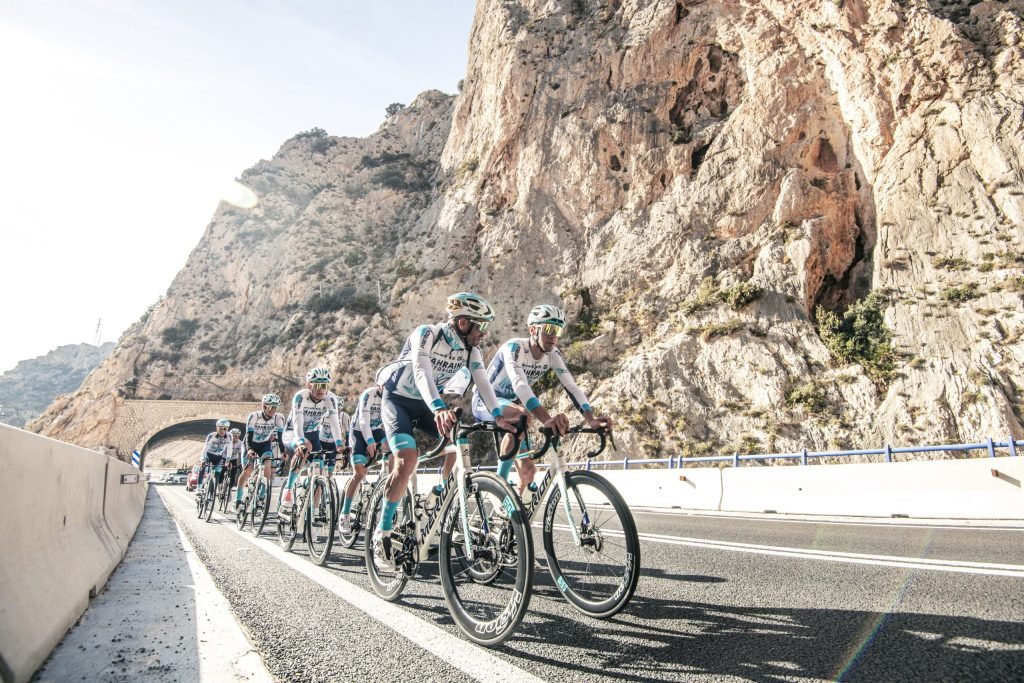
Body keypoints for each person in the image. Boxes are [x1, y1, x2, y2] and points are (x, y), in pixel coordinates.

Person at [372, 292, 515, 569]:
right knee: (407, 459)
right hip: (398, 400)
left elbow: (482, 382)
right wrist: (439, 408)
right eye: (481, 326)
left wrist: (497, 415)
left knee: (458, 444)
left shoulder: (471, 350)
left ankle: (439, 493)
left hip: (428, 403)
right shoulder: (427, 334)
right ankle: (383, 531)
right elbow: (422, 371)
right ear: (463, 323)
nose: (483, 334)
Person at [471, 304, 612, 499]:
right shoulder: (514, 348)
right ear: (532, 330)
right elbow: (520, 385)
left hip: (511, 406)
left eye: (557, 330)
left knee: (528, 473)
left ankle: (510, 520)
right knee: (521, 414)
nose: (553, 335)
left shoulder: (553, 355)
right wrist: (546, 419)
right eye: (548, 329)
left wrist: (591, 419)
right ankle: (497, 490)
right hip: (485, 400)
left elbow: (571, 387)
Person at [280, 367, 346, 513]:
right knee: (305, 450)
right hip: (293, 433)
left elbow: (335, 423)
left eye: (324, 385)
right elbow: (297, 423)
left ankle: (312, 510)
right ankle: (289, 489)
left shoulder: (331, 399)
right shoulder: (300, 397)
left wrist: (339, 444)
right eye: (316, 385)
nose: (321, 389)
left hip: (313, 434)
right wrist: (301, 442)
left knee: (320, 469)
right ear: (309, 385)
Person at [339, 383, 389, 534]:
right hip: (358, 432)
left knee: (395, 451)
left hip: (376, 430)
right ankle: (345, 514)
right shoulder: (369, 394)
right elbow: (363, 421)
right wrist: (369, 442)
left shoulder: (393, 395)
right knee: (360, 473)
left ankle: (384, 479)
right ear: (378, 385)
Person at [236, 393, 285, 509]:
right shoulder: (254, 416)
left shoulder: (279, 418)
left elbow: (280, 437)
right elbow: (248, 436)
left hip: (264, 445)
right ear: (263, 406)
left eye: (275, 407)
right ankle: (238, 499)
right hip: (250, 444)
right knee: (248, 470)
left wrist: (283, 452)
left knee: (268, 463)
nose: (273, 410)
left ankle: (262, 495)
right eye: (270, 407)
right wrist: (249, 450)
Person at [195, 418, 233, 496]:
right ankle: (198, 488)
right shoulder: (211, 436)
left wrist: (228, 460)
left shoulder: (230, 436)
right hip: (209, 455)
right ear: (217, 428)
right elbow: (205, 449)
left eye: (225, 429)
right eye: (220, 428)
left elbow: (229, 448)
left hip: (218, 456)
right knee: (202, 467)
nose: (222, 431)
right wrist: (203, 459)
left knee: (218, 473)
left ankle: (214, 488)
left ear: (227, 429)